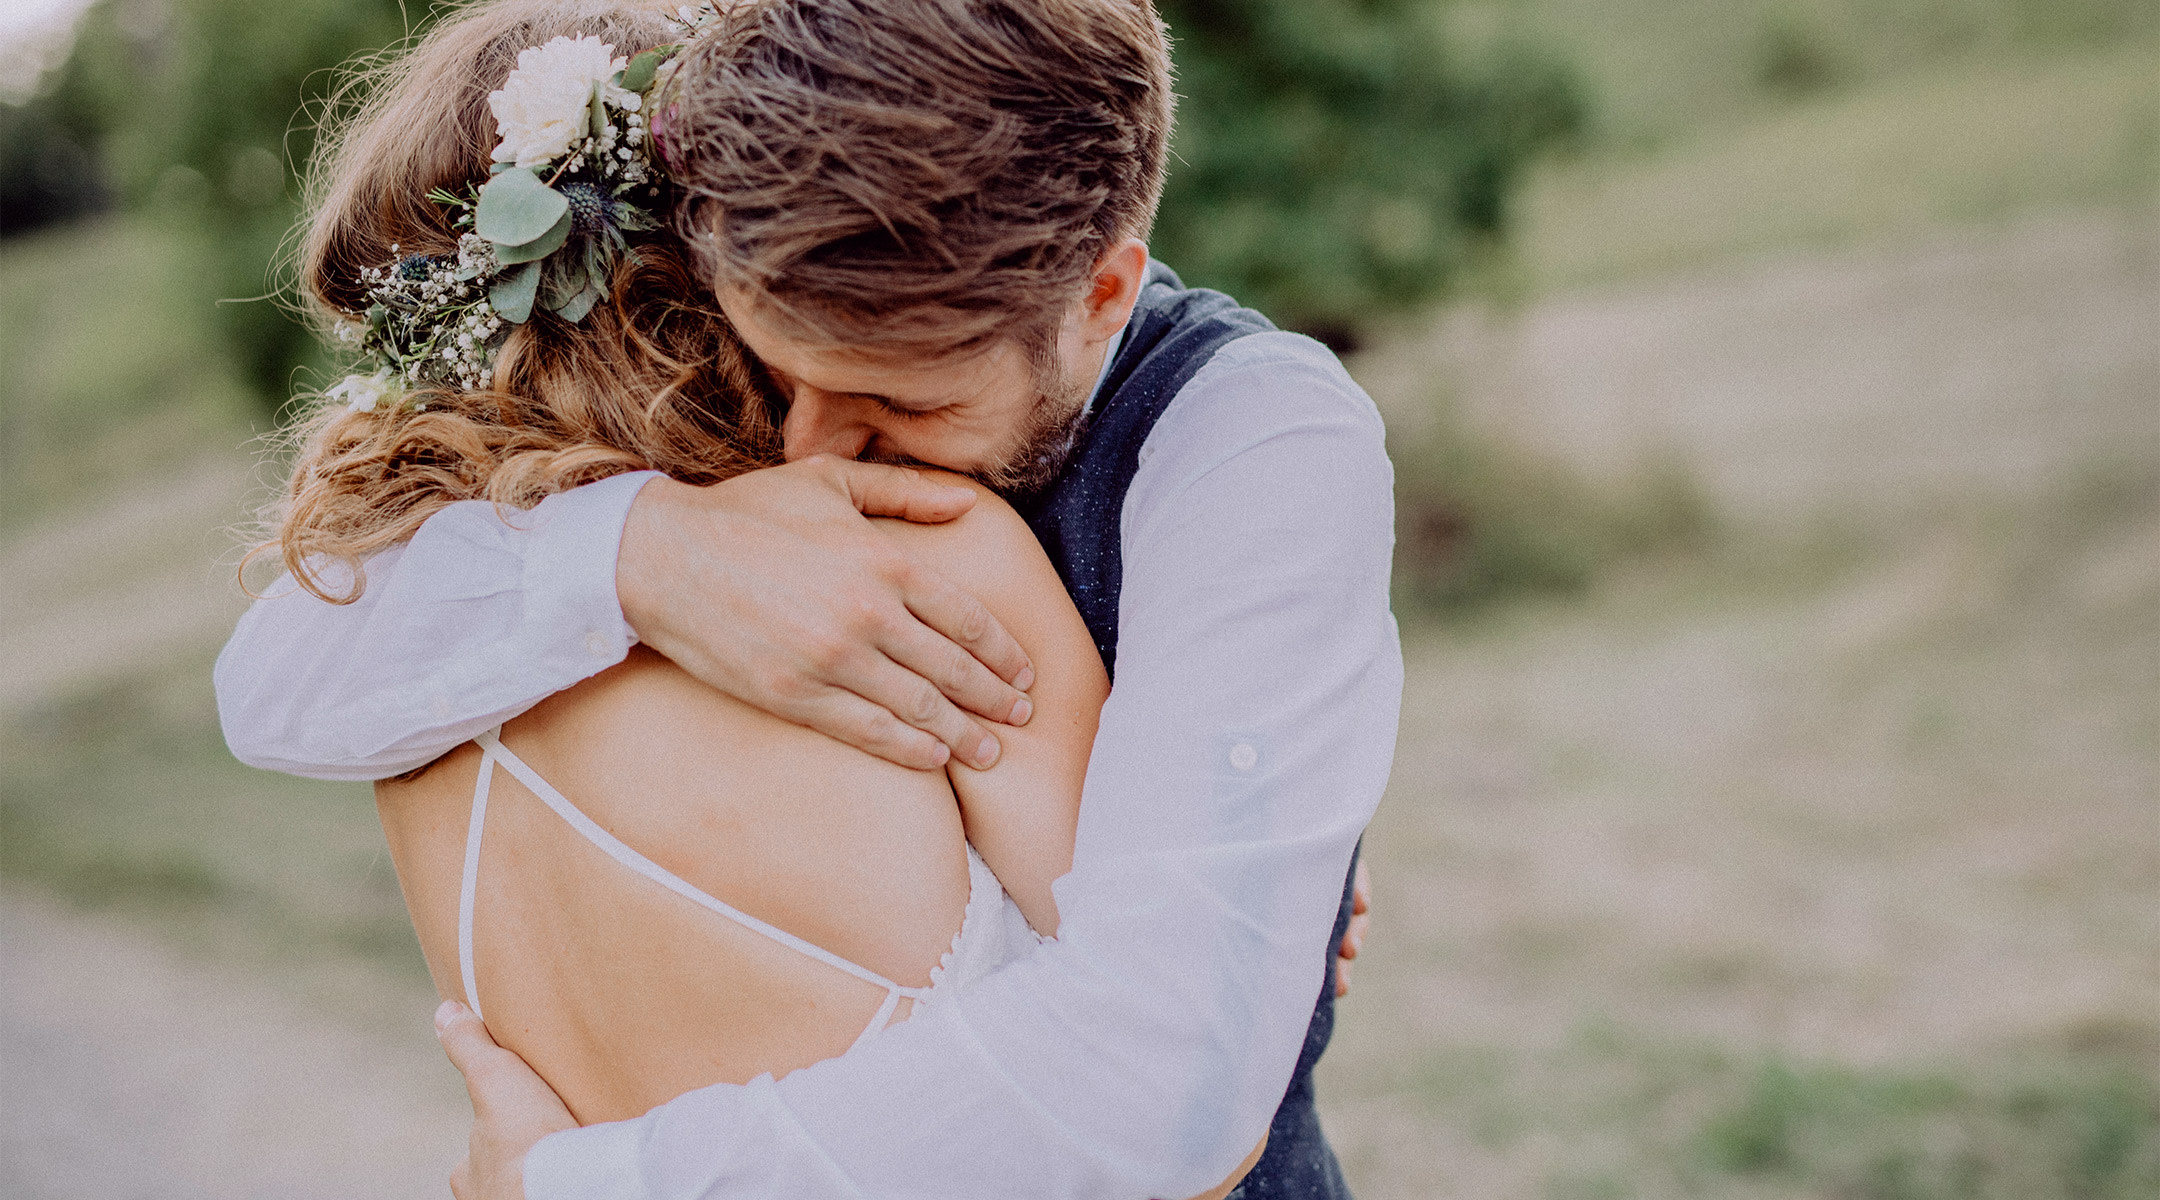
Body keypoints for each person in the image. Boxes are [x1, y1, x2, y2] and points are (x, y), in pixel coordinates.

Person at [216, 1, 1402, 1197]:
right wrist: (640, 552)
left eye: (903, 403)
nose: (807, 447)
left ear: (1100, 293)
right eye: (781, 368)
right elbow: (265, 686)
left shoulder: (1250, 436)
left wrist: (579, 1182)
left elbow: (1172, 1068)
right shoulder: (665, 538)